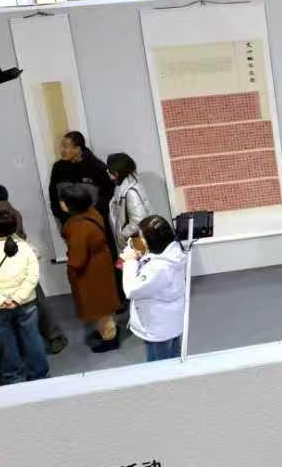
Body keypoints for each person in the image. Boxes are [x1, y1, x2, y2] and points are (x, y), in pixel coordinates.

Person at [0, 208, 48, 383]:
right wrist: (18, 298)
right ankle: (40, 374)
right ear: (15, 228)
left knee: (5, 342)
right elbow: (33, 276)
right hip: (26, 302)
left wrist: (1, 300)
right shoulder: (25, 248)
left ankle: (14, 377)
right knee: (32, 338)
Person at [59, 185, 120, 352]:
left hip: (90, 271)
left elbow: (77, 258)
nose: (60, 203)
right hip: (101, 264)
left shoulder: (79, 226)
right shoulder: (93, 213)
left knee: (99, 307)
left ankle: (110, 339)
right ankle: (110, 331)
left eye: (63, 201)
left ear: (71, 204)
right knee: (105, 303)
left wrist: (71, 270)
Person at [122, 214, 187, 361]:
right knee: (174, 357)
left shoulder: (159, 268)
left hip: (158, 329)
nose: (140, 241)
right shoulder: (173, 253)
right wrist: (140, 254)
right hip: (170, 321)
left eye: (142, 238)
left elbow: (131, 290)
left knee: (159, 366)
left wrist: (130, 262)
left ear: (153, 240)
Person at [49, 130, 113, 232]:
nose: (62, 150)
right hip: (71, 224)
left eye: (65, 147)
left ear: (77, 149)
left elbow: (108, 194)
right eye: (62, 146)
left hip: (96, 224)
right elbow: (53, 196)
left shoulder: (96, 167)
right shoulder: (58, 168)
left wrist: (94, 215)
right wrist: (63, 218)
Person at [104, 153, 152, 267]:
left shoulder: (130, 192)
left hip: (136, 243)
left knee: (134, 274)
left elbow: (139, 220)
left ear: (116, 173)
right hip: (132, 244)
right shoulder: (123, 188)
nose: (107, 171)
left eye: (109, 168)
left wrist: (122, 235)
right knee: (127, 271)